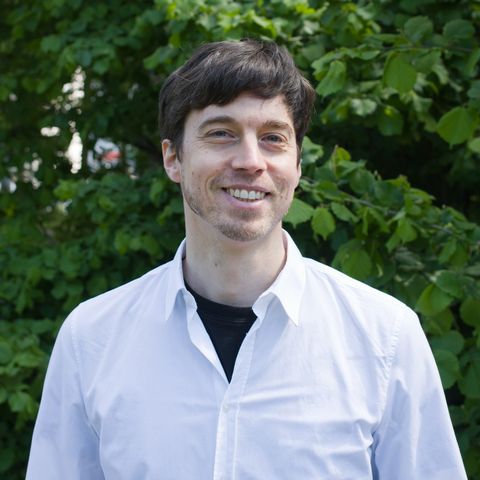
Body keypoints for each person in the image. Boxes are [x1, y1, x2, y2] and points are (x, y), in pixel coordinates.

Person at [27, 39, 467, 480]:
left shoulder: (385, 338)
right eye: (221, 133)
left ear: (297, 165)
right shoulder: (92, 339)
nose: (251, 161)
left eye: (273, 138)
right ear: (173, 158)